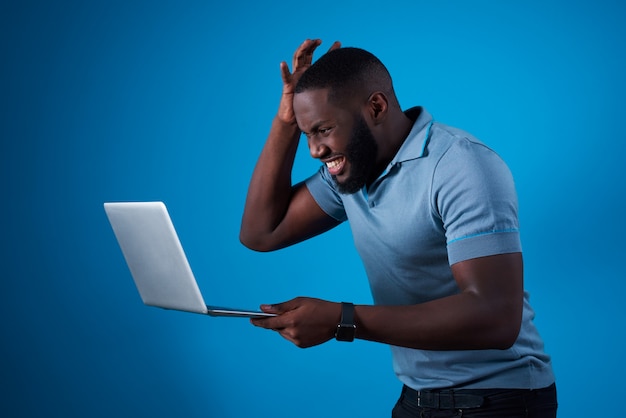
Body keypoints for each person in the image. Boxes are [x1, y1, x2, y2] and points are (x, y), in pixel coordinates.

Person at [239, 39, 557, 417]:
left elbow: (497, 319)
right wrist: (286, 122)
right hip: (417, 397)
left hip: (496, 399)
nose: (314, 150)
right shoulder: (349, 173)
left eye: (323, 130)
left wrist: (342, 320)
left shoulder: (460, 166)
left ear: (376, 107)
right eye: (308, 134)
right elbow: (261, 232)